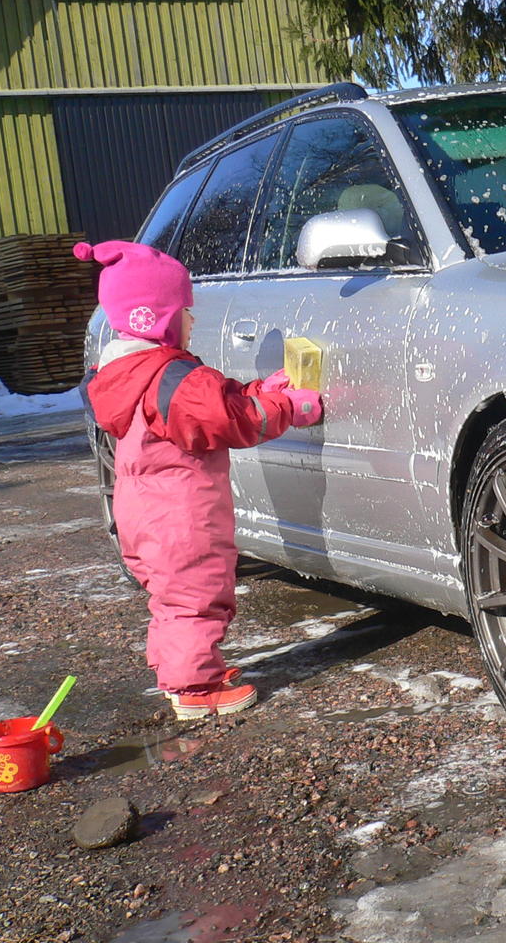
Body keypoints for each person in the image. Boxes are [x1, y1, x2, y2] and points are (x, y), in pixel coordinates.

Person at [76, 240, 323, 719]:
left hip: (141, 510)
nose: (191, 319)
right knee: (195, 596)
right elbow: (231, 418)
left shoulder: (124, 373)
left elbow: (216, 404)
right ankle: (194, 689)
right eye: (184, 310)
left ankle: (178, 672)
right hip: (180, 513)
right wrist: (287, 407)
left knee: (172, 597)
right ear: (159, 318)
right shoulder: (173, 375)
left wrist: (260, 390)